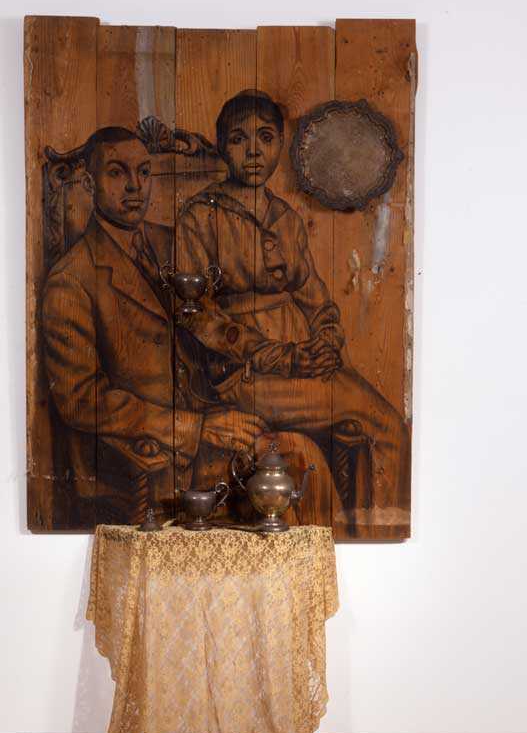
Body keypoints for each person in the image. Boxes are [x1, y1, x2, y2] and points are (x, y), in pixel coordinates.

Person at [176, 91, 411, 530]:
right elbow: (198, 317)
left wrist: (327, 342)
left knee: (389, 426)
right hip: (243, 375)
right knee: (381, 426)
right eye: (239, 139)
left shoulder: (285, 218)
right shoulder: (199, 216)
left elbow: (315, 297)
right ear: (222, 146)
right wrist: (281, 357)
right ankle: (374, 535)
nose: (253, 152)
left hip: (300, 363)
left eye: (265, 138)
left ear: (280, 144)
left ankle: (374, 535)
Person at [42, 127, 266, 522]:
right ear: (89, 184)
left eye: (144, 172)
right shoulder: (70, 279)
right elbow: (81, 400)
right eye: (117, 173)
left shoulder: (172, 243)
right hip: (150, 450)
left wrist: (267, 353)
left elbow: (210, 324)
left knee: (297, 451)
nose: (135, 186)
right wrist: (195, 428)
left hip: (210, 416)